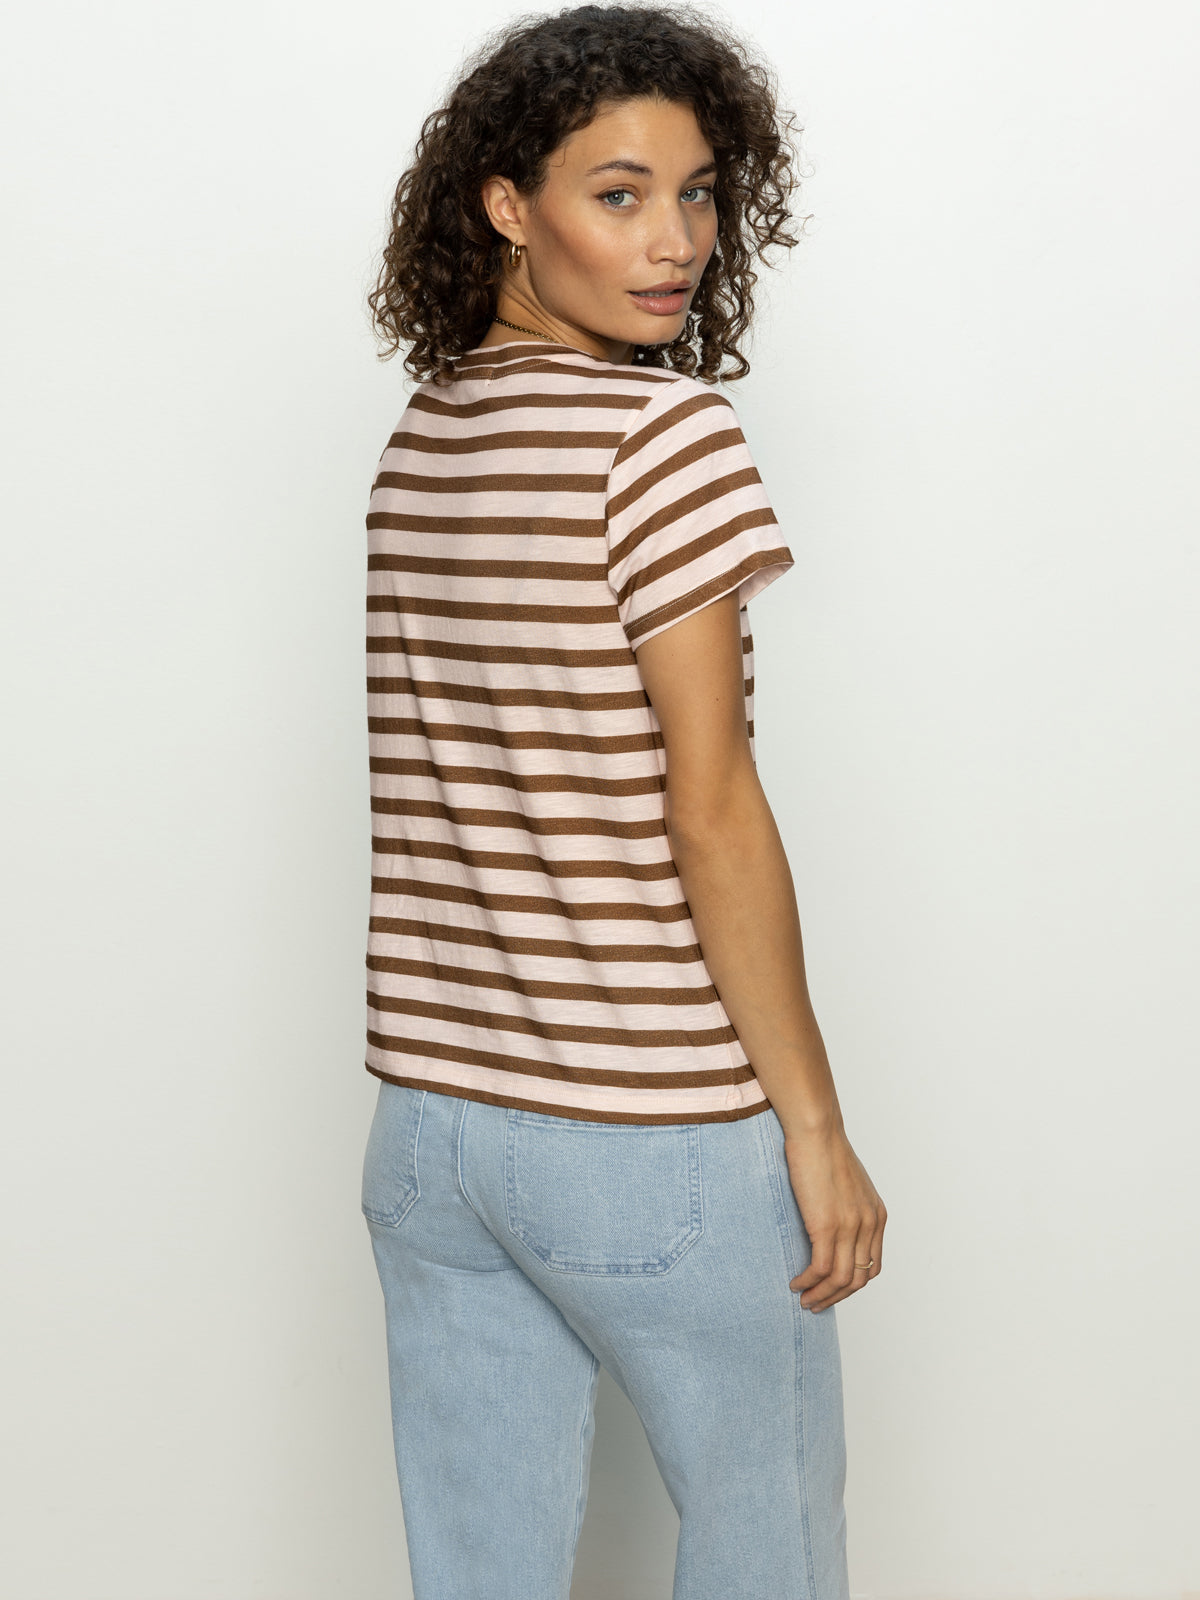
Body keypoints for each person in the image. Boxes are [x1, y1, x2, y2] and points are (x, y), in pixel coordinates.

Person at [359, 6, 887, 1597]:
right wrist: (813, 1126)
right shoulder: (666, 442)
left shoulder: (423, 441)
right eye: (619, 193)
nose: (675, 243)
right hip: (644, 1130)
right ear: (507, 205)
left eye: (702, 193)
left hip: (434, 1132)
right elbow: (710, 809)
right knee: (768, 1554)